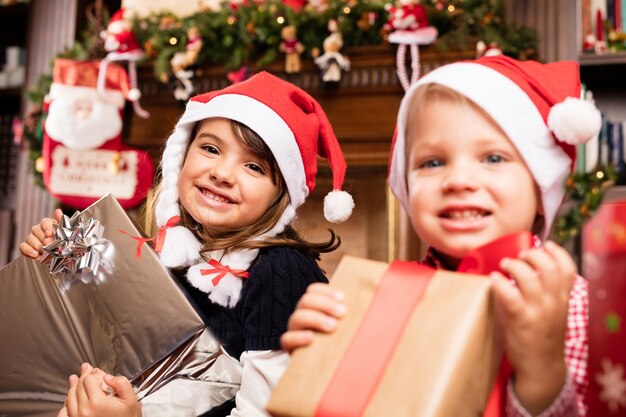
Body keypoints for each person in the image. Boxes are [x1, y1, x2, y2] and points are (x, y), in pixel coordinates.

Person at [20, 71, 355, 417]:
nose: (223, 173)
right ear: (181, 155)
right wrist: (54, 256)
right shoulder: (163, 254)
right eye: (210, 148)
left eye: (253, 166)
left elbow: (272, 412)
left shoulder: (279, 271)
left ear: (280, 196)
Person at [281, 55, 599, 417]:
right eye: (432, 163)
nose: (459, 181)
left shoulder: (572, 305)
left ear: (541, 186)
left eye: (493, 158)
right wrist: (319, 364)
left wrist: (543, 374)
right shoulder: (383, 298)